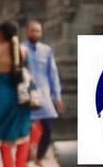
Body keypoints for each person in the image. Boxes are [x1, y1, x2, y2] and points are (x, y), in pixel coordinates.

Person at [0, 21, 32, 167]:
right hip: (21, 96)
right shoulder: (24, 51)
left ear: (1, 34)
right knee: (23, 132)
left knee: (3, 136)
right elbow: (29, 75)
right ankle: (21, 164)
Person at [23, 21, 63, 167]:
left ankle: (39, 156)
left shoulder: (46, 50)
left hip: (44, 95)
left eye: (38, 31)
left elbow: (53, 74)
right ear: (27, 32)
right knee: (24, 129)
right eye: (32, 31)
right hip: (26, 95)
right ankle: (25, 158)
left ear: (41, 33)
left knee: (48, 127)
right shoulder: (21, 49)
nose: (35, 34)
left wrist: (57, 96)